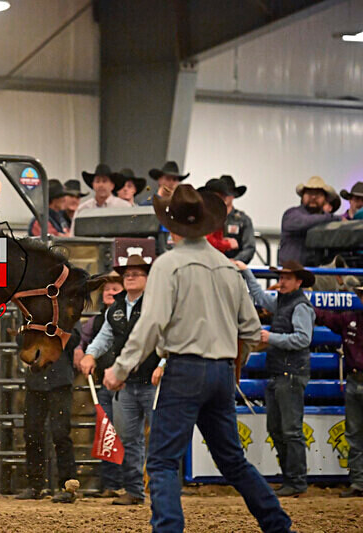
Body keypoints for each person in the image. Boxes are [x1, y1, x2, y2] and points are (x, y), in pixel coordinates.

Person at [103, 184, 293, 532]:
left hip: (184, 369)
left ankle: (169, 528)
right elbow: (252, 331)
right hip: (221, 372)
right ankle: (278, 525)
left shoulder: (168, 265)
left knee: (161, 461)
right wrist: (233, 364)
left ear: (171, 226)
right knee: (233, 461)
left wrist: (120, 368)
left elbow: (152, 323)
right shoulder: (228, 268)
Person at [82, 255, 163, 506]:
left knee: (159, 437)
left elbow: (169, 336)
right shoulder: (115, 309)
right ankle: (135, 489)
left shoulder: (156, 305)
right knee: (129, 438)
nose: (130, 277)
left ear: (148, 279)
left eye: (136, 274)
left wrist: (162, 364)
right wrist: (91, 353)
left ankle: (162, 489)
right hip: (127, 383)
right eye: (127, 274)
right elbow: (105, 337)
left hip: (152, 380)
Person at [235, 260, 316, 497]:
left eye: (286, 278)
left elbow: (303, 339)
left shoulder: (300, 306)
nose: (281, 282)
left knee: (289, 430)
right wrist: (247, 272)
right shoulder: (287, 302)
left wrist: (271, 337)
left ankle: (296, 480)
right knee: (280, 429)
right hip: (283, 372)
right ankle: (292, 479)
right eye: (281, 278)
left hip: (289, 373)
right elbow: (260, 296)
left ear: (298, 281)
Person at [16, 326, 81, 503]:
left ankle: (66, 485)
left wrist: (52, 331)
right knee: (32, 432)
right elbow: (20, 341)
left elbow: (73, 339)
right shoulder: (32, 319)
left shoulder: (63, 318)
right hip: (37, 381)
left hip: (58, 380)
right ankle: (35, 484)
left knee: (60, 433)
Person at [73, 271, 124, 496]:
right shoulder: (96, 321)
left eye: (115, 289)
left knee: (128, 434)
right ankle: (111, 484)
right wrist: (78, 350)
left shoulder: (131, 317)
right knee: (107, 433)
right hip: (105, 385)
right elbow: (82, 339)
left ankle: (132, 482)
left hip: (130, 383)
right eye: (107, 289)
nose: (110, 292)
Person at [312, 287, 363, 498]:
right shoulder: (350, 319)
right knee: (353, 435)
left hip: (354, 381)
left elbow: (325, 317)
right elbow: (324, 316)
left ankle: (359, 482)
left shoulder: (351, 320)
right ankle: (359, 483)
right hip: (354, 380)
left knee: (355, 434)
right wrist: (302, 302)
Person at [279, 176, 341, 266]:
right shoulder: (291, 214)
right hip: (292, 272)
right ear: (302, 197)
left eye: (318, 194)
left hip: (317, 271)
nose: (313, 197)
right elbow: (304, 222)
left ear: (325, 199)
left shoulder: (329, 219)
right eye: (309, 193)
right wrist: (333, 218)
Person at [217, 175, 257, 264]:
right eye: (221, 193)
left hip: (235, 267)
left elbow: (249, 248)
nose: (224, 196)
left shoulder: (242, 220)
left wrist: (234, 261)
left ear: (233, 195)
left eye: (227, 193)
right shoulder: (208, 218)